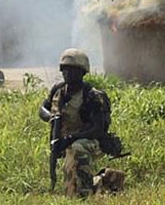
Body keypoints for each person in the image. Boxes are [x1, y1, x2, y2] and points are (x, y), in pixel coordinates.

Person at [38, 48, 111, 197]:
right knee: (71, 162)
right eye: (64, 70)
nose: (67, 74)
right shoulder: (58, 90)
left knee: (76, 149)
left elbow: (97, 129)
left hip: (91, 141)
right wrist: (51, 117)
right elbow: (42, 109)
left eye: (72, 70)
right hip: (65, 140)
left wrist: (71, 138)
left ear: (82, 72)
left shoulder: (92, 96)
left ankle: (93, 186)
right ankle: (93, 183)